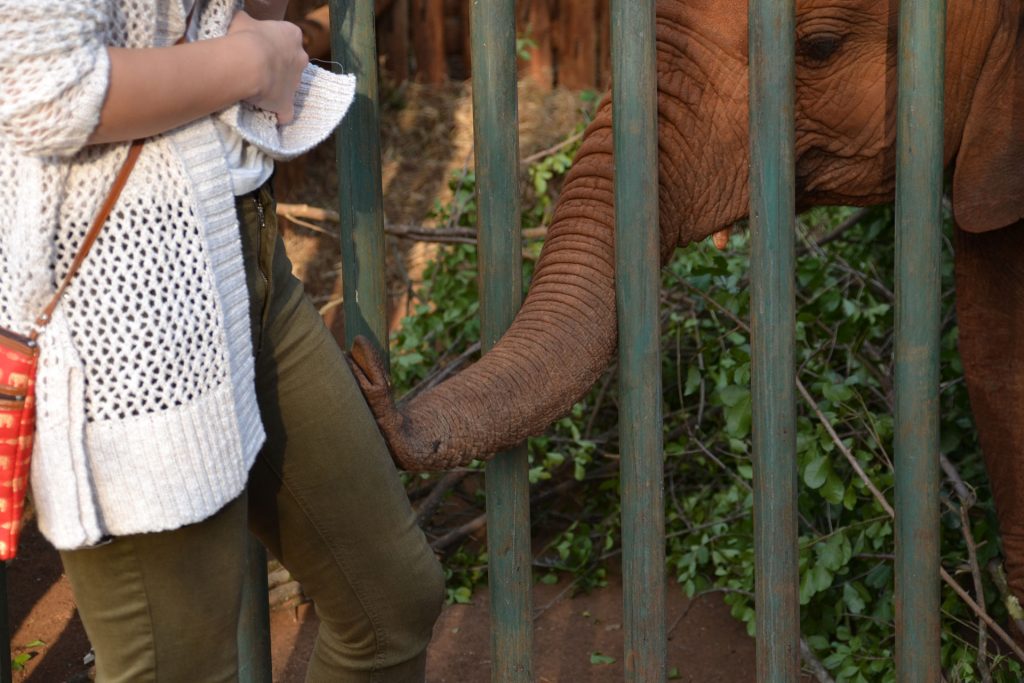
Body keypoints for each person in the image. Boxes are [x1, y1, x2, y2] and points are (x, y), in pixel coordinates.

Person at [0, 1, 444, 681]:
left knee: (390, 602)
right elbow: (42, 89)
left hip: (246, 255)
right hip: (122, 319)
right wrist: (253, 60)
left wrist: (247, 30)